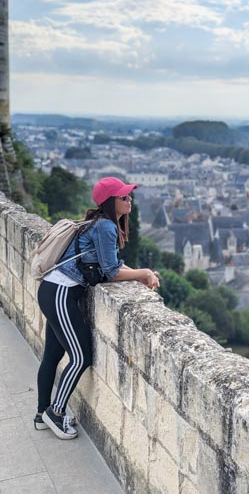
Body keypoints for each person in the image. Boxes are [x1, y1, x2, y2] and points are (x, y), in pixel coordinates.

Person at [34, 176, 159, 440]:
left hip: (52, 290)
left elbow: (108, 264)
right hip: (61, 293)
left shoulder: (98, 223)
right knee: (81, 357)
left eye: (128, 196)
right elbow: (112, 271)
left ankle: (41, 414)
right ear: (111, 202)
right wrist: (144, 272)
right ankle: (55, 413)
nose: (129, 200)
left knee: (53, 355)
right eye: (123, 197)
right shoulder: (106, 227)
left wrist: (140, 274)